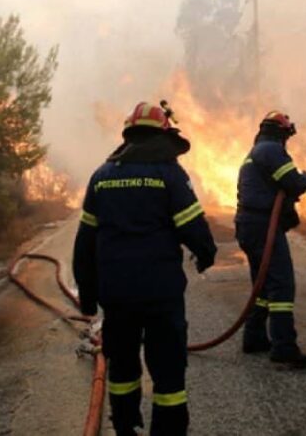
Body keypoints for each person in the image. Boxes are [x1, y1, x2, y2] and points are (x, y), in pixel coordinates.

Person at [73, 101, 217, 436]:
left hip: (117, 295)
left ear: (128, 135)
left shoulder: (102, 177)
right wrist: (206, 254)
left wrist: (88, 298)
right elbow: (193, 226)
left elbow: (85, 244)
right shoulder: (169, 175)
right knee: (168, 370)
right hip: (160, 294)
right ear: (161, 136)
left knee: (122, 365)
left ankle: (125, 427)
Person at [235, 110, 306, 369]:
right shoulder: (271, 150)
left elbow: (283, 182)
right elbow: (293, 182)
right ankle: (284, 347)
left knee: (263, 284)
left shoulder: (258, 151)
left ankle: (254, 337)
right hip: (262, 225)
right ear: (283, 133)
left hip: (250, 224)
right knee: (282, 285)